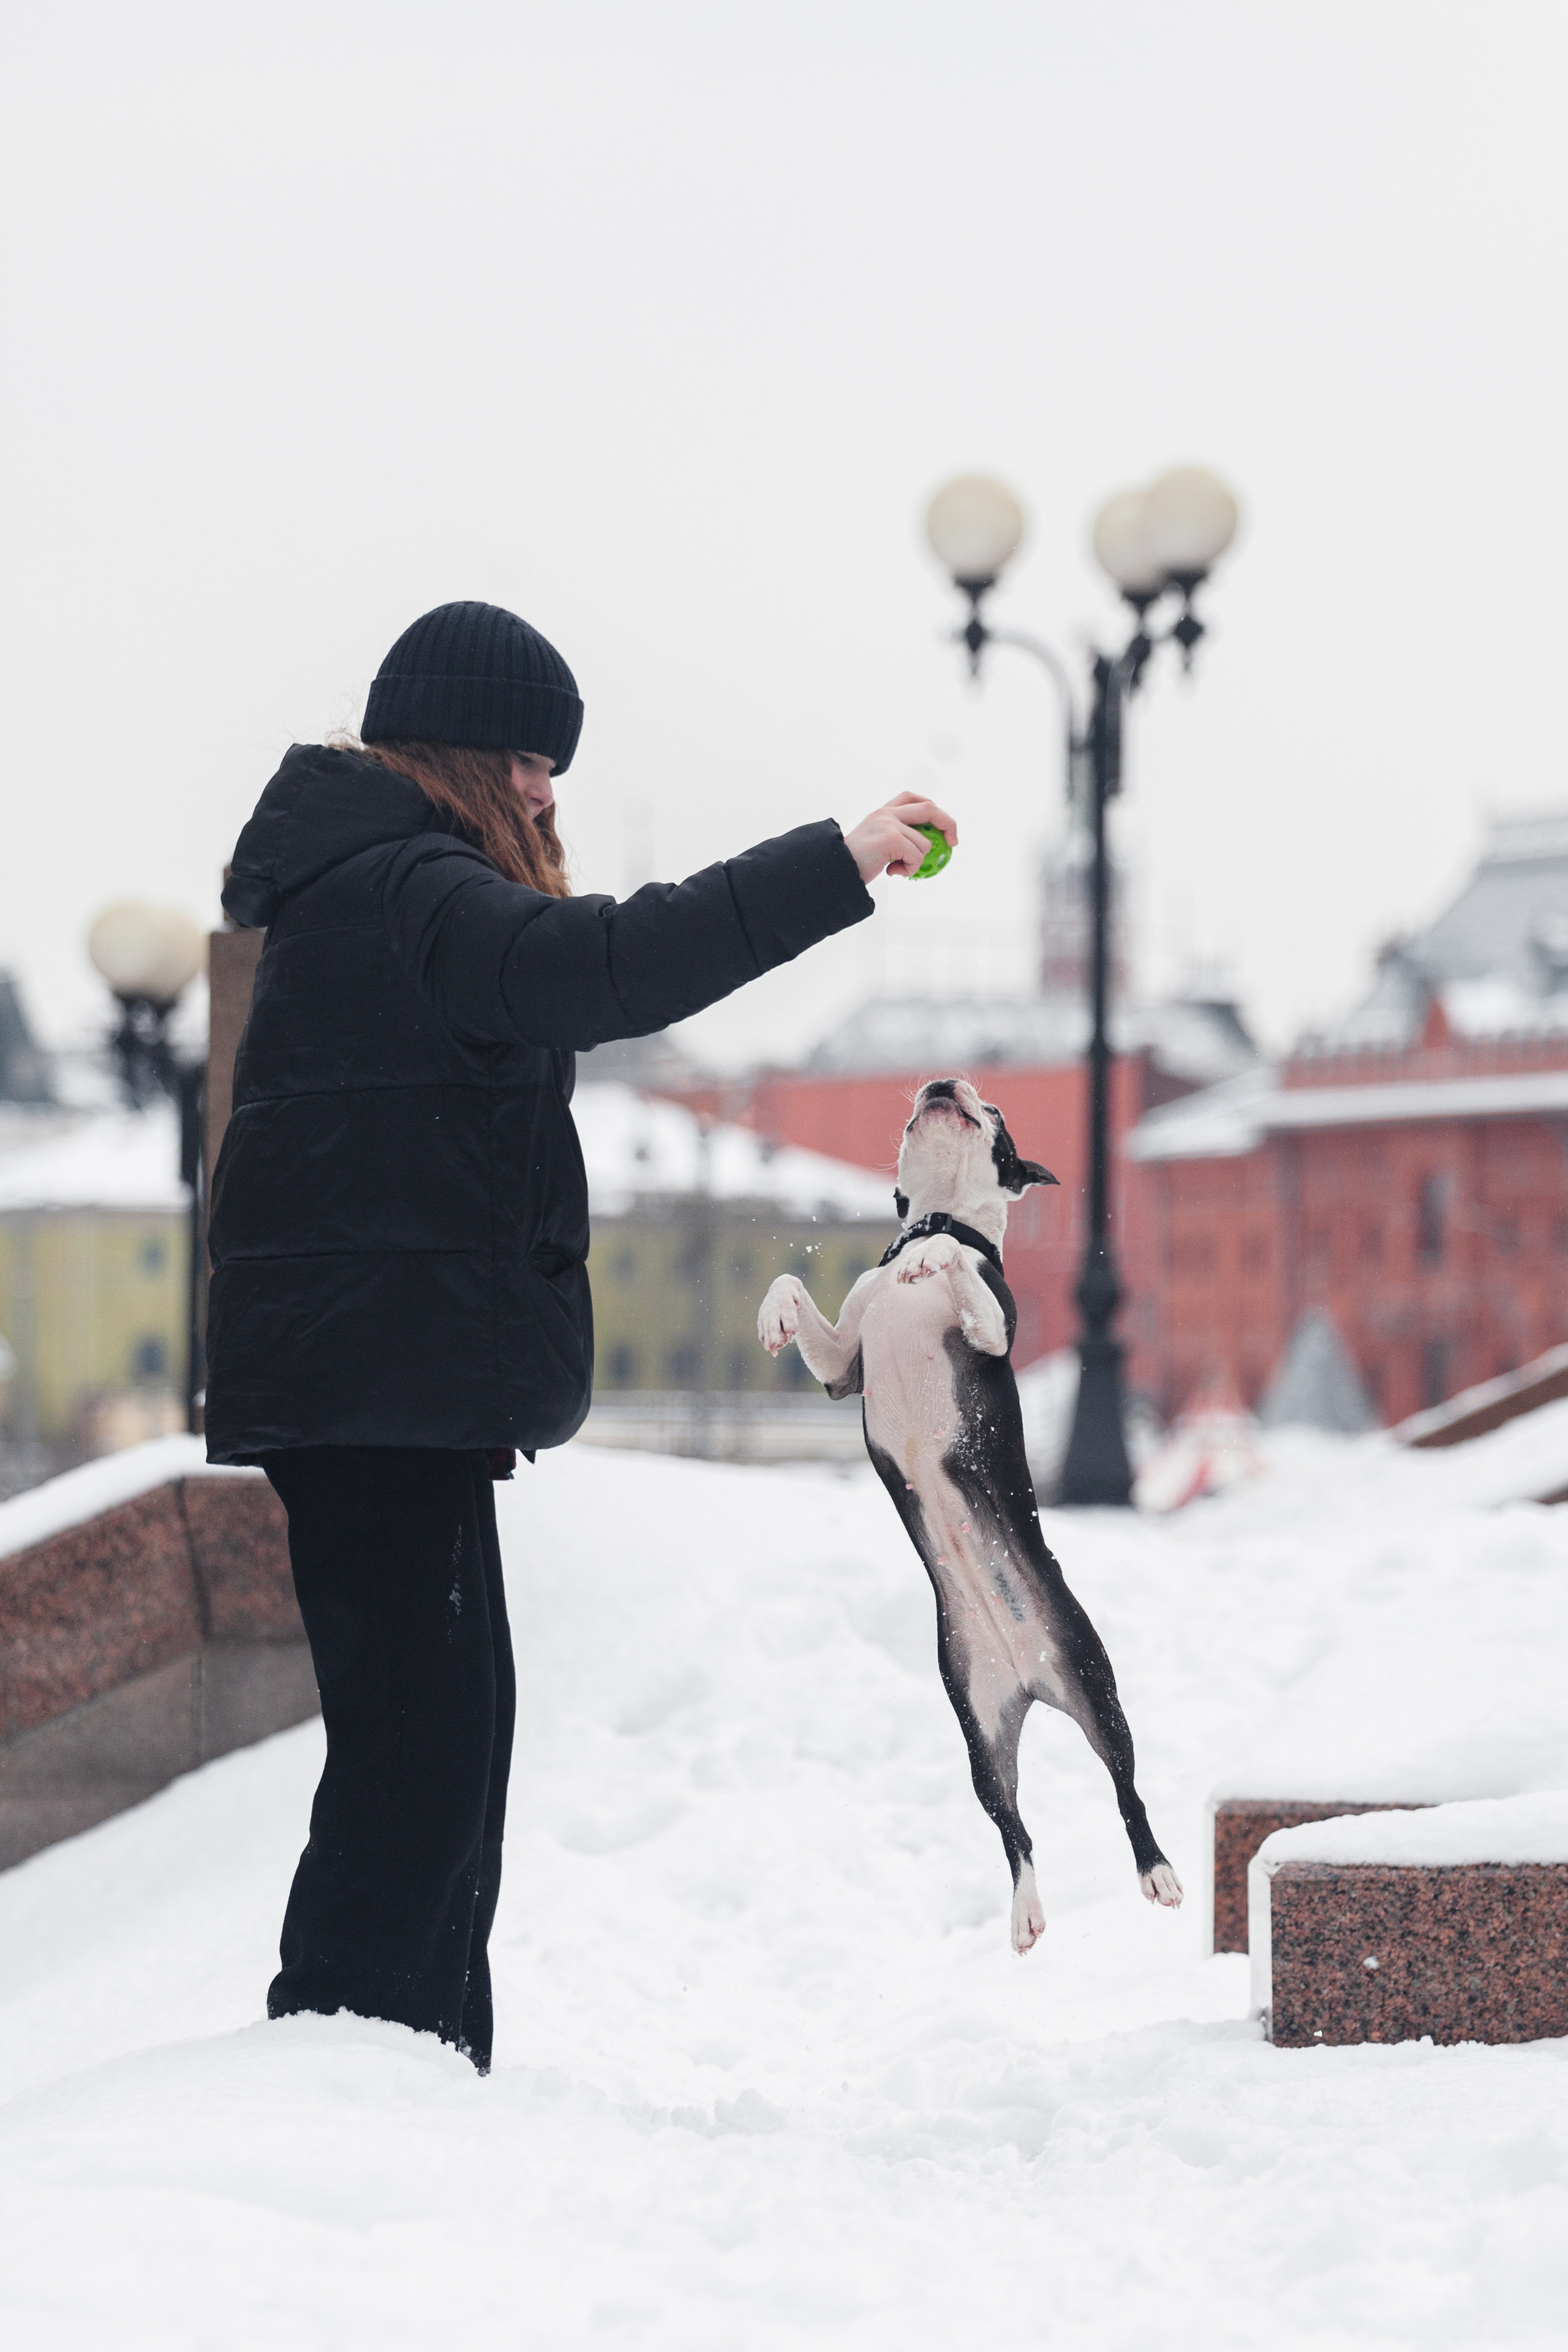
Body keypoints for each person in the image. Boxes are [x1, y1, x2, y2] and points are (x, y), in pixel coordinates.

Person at [205, 599, 956, 2071]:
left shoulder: (361, 884)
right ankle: (343, 2057)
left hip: (372, 1380)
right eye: (530, 760)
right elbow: (613, 963)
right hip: (374, 1384)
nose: (548, 792)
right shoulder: (409, 885)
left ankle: (409, 2056)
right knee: (419, 1756)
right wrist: (837, 861)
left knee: (439, 1738)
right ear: (462, 754)